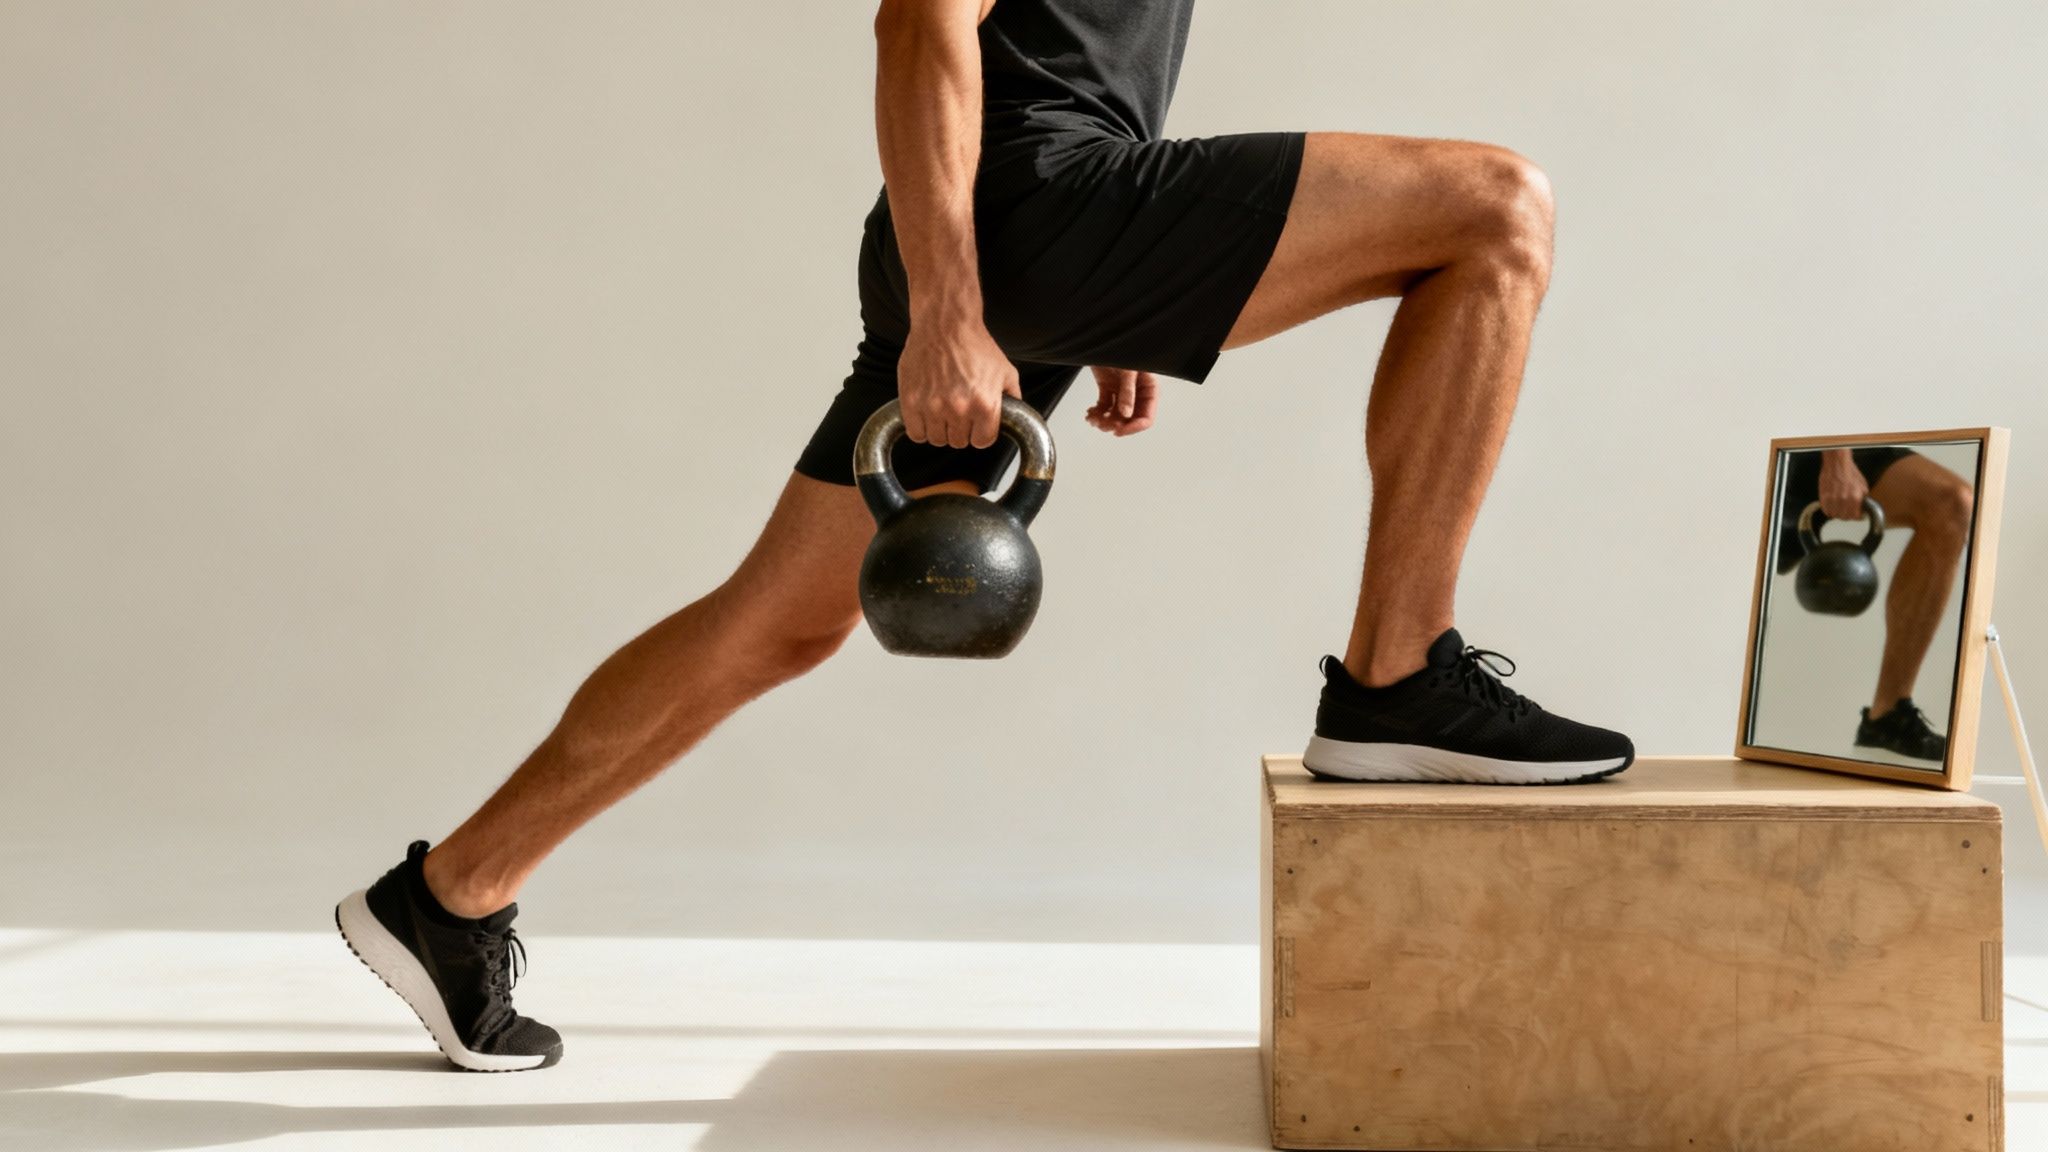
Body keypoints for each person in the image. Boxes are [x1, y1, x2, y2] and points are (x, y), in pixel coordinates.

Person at [334, 0, 1635, 1072]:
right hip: (1011, 214)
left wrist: (1121, 307)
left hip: (1034, 222)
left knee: (774, 625)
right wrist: (951, 309)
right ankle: (1397, 676)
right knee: (1498, 208)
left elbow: (1067, 50)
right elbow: (919, 24)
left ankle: (448, 893)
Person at [1774, 446, 1976, 760]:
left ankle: (1888, 716)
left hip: (1851, 436)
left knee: (1950, 502)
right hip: (1802, 436)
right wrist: (1837, 459)